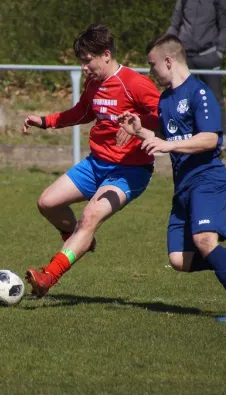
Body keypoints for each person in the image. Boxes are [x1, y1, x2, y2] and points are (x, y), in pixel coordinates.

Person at [117, 34, 226, 323]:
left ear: (168, 61)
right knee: (180, 259)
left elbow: (209, 139)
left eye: (152, 64)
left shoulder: (200, 93)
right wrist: (140, 132)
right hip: (183, 185)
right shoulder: (167, 99)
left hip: (207, 179)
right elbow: (170, 137)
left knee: (205, 240)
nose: (151, 72)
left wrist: (168, 145)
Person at [22, 23, 160, 298]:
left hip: (130, 171)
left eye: (88, 61)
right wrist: (46, 122)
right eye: (81, 62)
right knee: (47, 203)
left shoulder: (135, 83)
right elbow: (83, 112)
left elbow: (166, 117)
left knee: (89, 216)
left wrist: (138, 123)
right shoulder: (94, 84)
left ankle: (49, 277)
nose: (84, 67)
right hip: (96, 164)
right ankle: (81, 241)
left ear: (106, 55)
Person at [166, 0, 226, 151]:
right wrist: (165, 48)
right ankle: (177, 134)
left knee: (215, 97)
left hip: (209, 54)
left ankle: (223, 138)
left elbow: (225, 25)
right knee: (179, 96)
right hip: (184, 56)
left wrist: (220, 51)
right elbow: (174, 24)